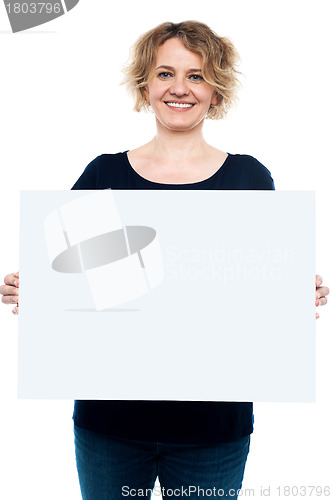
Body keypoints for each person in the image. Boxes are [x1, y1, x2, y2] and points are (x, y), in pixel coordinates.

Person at [1, 21, 329, 500]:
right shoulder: (104, 174)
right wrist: (35, 293)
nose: (180, 88)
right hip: (109, 425)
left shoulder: (248, 178)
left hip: (212, 430)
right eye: (165, 74)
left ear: (216, 91)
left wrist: (290, 298)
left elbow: (258, 294)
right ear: (145, 86)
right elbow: (70, 281)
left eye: (196, 76)